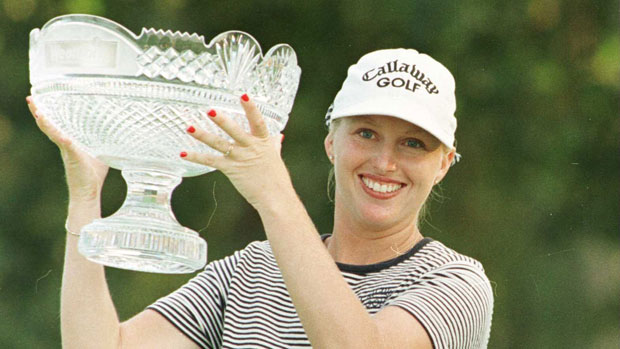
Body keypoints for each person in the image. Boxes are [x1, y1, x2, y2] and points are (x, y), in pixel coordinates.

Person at [27, 48, 493, 348]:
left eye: (414, 143)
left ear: (444, 164)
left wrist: (273, 192)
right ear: (332, 143)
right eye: (366, 133)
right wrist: (86, 199)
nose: (385, 162)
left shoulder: (456, 284)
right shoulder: (252, 270)